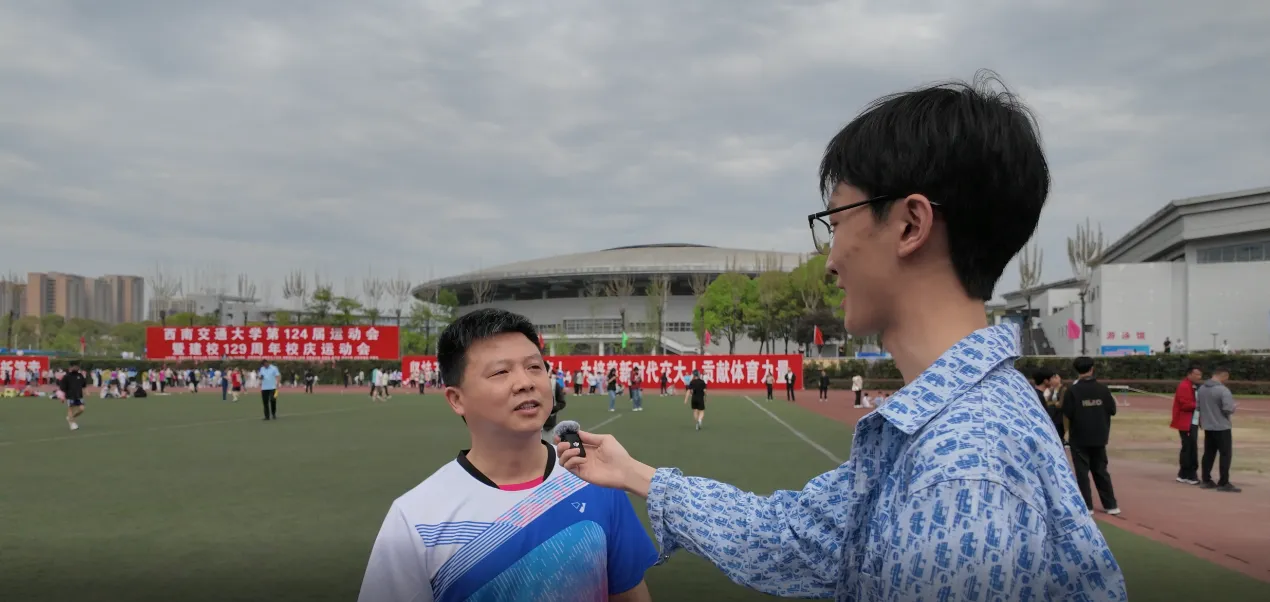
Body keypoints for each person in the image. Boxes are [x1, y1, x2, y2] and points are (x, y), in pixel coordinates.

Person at [555, 73, 1125, 601]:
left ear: (910, 225)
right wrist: (634, 475)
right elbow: (794, 538)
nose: (829, 260)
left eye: (836, 222)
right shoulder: (961, 419)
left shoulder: (960, 470)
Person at [357, 308, 656, 602]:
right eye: (501, 371)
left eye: (534, 367)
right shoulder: (416, 519)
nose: (526, 382)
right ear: (456, 399)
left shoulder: (594, 480)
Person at [1062, 357, 1120, 515]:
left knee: (1082, 473)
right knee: (1101, 470)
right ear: (1092, 368)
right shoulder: (1103, 389)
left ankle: (1087, 506)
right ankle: (1111, 505)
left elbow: (1067, 413)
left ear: (1076, 370)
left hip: (1079, 437)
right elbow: (1112, 410)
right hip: (1100, 436)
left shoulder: (1072, 391)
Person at [1197, 367, 1240, 492]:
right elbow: (1227, 409)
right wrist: (1233, 407)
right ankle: (1223, 482)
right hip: (1222, 427)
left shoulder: (1202, 389)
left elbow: (1198, 407)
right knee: (1225, 454)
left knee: (1208, 453)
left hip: (1208, 426)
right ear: (1224, 376)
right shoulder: (1223, 390)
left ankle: (1206, 480)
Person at [1170, 365, 1203, 484]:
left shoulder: (1194, 386)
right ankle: (1190, 475)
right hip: (1186, 422)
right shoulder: (1184, 386)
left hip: (1192, 421)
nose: (1199, 377)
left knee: (1188, 447)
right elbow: (1185, 405)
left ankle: (1183, 474)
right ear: (1189, 374)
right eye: (1196, 374)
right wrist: (1200, 405)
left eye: (1200, 374)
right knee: (1190, 448)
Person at [59, 361, 88, 431]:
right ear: (71, 367)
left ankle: (70, 418)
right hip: (70, 396)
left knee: (82, 409)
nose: (76, 367)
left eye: (77, 366)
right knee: (70, 409)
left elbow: (84, 385)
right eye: (75, 366)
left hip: (79, 396)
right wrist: (62, 397)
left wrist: (86, 392)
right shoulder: (66, 377)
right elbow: (62, 388)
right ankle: (72, 424)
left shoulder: (80, 375)